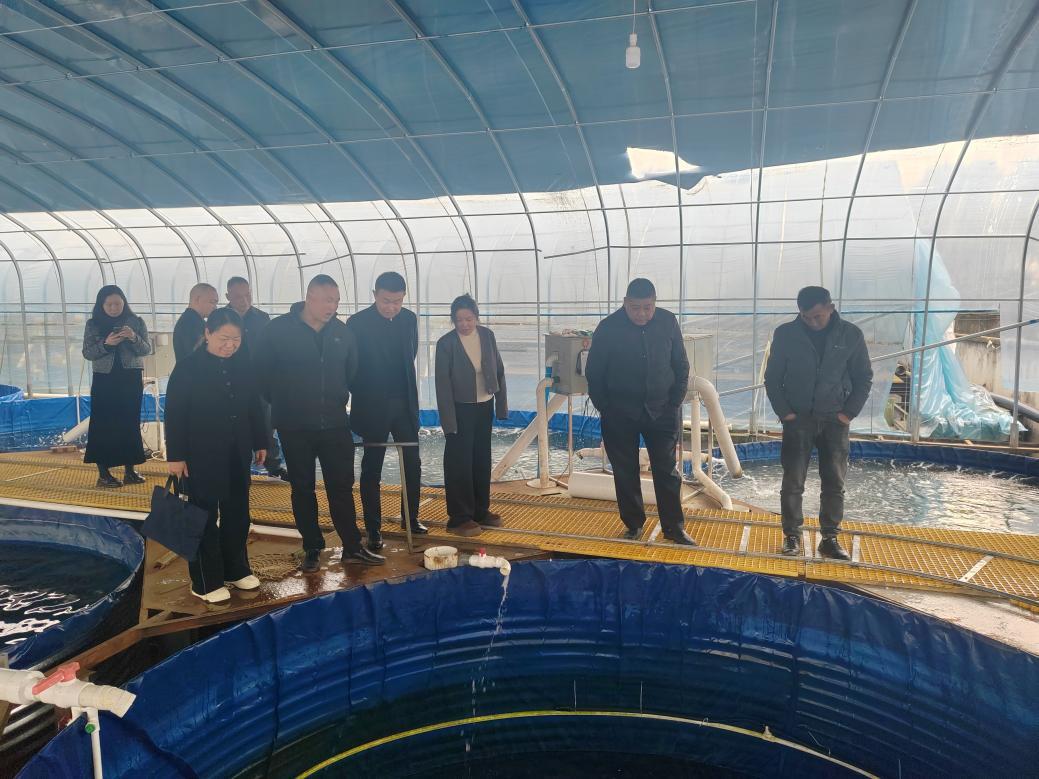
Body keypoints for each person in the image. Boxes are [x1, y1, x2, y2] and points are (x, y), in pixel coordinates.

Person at [255, 274, 383, 571]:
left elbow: (352, 371)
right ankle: (312, 547)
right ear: (309, 297)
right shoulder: (277, 331)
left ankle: (352, 547)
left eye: (336, 301)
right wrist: (286, 401)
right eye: (326, 300)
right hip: (294, 425)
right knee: (302, 487)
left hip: (335, 423)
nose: (332, 306)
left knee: (342, 486)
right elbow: (261, 375)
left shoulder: (342, 332)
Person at [164, 308, 267, 603]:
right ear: (207, 333)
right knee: (203, 516)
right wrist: (176, 456)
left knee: (237, 513)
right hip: (200, 454)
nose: (230, 345)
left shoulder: (244, 365)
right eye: (224, 338)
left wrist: (260, 441)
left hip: (237, 451)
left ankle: (235, 569)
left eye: (236, 340)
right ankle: (205, 581)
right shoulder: (187, 368)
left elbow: (254, 406)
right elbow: (175, 413)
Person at [764, 286, 873, 560]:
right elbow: (772, 377)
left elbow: (864, 377)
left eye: (817, 316)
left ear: (830, 308)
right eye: (806, 317)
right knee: (793, 481)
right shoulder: (786, 334)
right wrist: (785, 413)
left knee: (834, 482)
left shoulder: (851, 335)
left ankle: (830, 538)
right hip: (798, 419)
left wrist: (848, 413)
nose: (812, 322)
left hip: (835, 419)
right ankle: (792, 536)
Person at [585, 279, 694, 545]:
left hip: (662, 410)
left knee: (666, 470)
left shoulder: (668, 322)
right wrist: (605, 406)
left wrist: (674, 402)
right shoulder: (608, 328)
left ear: (655, 303)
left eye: (647, 307)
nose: (642, 314)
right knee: (625, 471)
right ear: (625, 303)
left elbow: (681, 365)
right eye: (635, 308)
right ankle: (633, 525)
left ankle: (674, 527)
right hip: (619, 412)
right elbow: (594, 372)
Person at [346, 271, 428, 552]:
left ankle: (410, 518)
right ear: (375, 295)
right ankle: (373, 528)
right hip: (372, 406)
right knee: (372, 467)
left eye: (397, 301)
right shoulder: (357, 323)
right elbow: (351, 365)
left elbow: (410, 356)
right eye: (385, 301)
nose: (391, 307)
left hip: (404, 403)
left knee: (412, 463)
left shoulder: (409, 320)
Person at [434, 294, 508, 537]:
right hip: (460, 409)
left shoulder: (487, 336)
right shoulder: (446, 344)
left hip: (484, 406)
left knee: (481, 459)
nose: (464, 324)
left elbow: (499, 370)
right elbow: (442, 385)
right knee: (459, 463)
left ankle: (480, 510)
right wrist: (448, 422)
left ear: (476, 317)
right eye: (459, 320)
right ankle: (459, 517)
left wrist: (501, 405)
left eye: (468, 319)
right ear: (453, 320)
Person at [82, 285, 152, 488]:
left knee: (129, 423)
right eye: (109, 304)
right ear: (101, 305)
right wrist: (106, 344)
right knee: (103, 424)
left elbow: (146, 349)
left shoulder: (136, 322)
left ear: (124, 303)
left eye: (118, 304)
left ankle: (130, 471)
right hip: (105, 379)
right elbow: (87, 353)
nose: (114, 308)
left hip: (130, 378)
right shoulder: (93, 324)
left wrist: (133, 337)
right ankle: (104, 474)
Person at [223, 276, 287, 481]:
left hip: (258, 379)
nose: (244, 300)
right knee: (232, 423)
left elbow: (272, 349)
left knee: (265, 422)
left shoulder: (262, 318)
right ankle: (233, 465)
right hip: (229, 380)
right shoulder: (221, 318)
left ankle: (273, 465)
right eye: (238, 296)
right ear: (228, 296)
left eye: (247, 295)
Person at [173, 282, 218, 361]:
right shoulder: (190, 323)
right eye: (212, 302)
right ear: (198, 300)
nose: (215, 307)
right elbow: (198, 354)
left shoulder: (193, 320)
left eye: (216, 303)